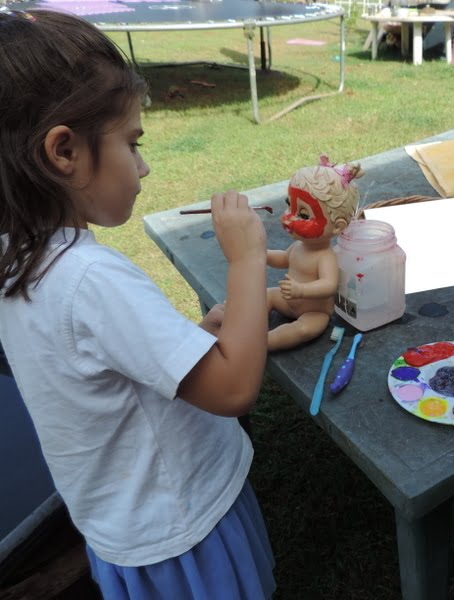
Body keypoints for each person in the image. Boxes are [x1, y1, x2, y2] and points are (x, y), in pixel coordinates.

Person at [0, 10, 275, 598]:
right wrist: (247, 259)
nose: (144, 165)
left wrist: (190, 340)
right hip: (184, 530)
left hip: (123, 528)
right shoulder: (89, 277)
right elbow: (232, 390)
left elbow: (92, 370)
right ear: (63, 151)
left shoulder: (16, 262)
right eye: (132, 142)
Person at [266, 155, 362, 351]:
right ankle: (245, 326)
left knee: (304, 330)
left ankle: (264, 343)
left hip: (314, 311)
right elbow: (284, 259)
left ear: (337, 227)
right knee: (264, 295)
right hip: (287, 300)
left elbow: (328, 285)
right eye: (289, 205)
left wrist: (300, 290)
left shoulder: (325, 256)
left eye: (303, 214)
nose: (289, 217)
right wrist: (262, 254)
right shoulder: (298, 247)